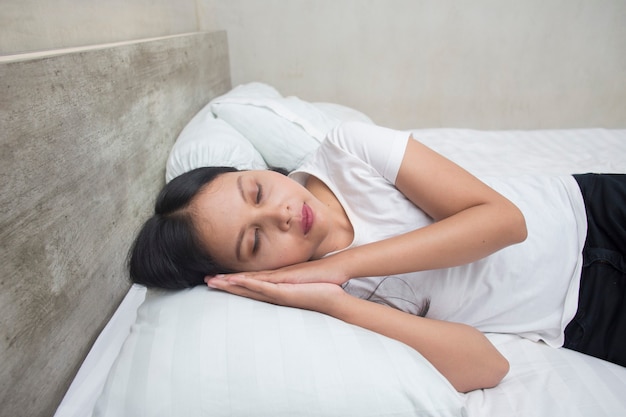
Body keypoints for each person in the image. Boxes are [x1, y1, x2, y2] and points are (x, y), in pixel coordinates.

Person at [129, 121, 625, 392]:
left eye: (256, 190)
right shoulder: (328, 308)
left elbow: (505, 223)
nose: (279, 213)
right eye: (254, 242)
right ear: (247, 274)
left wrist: (344, 263)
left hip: (591, 209)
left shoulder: (348, 150)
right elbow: (485, 367)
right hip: (585, 318)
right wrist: (335, 301)